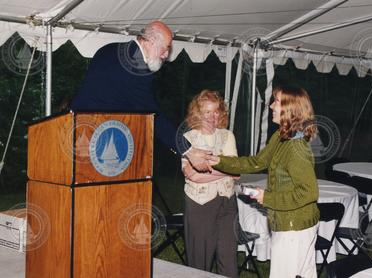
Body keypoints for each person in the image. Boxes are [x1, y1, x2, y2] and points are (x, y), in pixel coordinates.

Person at [209, 85, 320, 278]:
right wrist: (219, 161)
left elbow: (309, 192)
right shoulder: (281, 136)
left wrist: (267, 197)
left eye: (276, 101)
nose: (271, 106)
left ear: (290, 108)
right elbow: (256, 162)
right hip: (287, 223)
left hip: (295, 228)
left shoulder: (295, 148)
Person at [70, 20, 210, 171]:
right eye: (165, 48)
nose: (166, 55)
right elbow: (153, 116)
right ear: (150, 42)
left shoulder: (109, 49)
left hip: (75, 131)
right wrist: (189, 151)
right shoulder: (136, 71)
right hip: (96, 144)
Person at [182, 90, 239, 278]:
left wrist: (206, 169)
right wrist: (226, 169)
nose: (212, 116)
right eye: (207, 112)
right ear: (197, 114)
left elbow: (236, 170)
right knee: (200, 262)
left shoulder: (227, 135)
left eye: (216, 111)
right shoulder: (188, 139)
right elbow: (192, 176)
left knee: (229, 260)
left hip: (228, 203)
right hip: (199, 204)